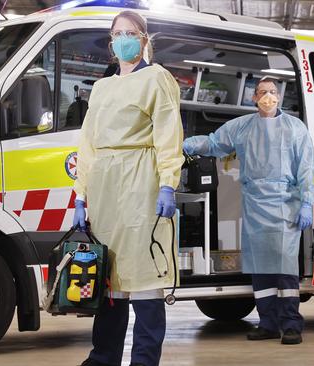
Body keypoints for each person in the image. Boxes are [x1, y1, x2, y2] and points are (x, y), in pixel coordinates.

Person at [72, 10, 184, 366]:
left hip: (141, 184)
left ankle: (144, 360)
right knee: (110, 278)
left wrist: (168, 183)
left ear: (144, 39)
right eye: (118, 34)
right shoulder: (102, 88)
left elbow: (169, 135)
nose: (124, 39)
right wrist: (80, 194)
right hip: (105, 188)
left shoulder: (157, 79)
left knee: (145, 275)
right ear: (111, 43)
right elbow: (88, 144)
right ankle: (103, 357)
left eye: (131, 33)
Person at [183, 76, 314, 345]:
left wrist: (306, 202)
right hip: (255, 203)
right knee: (260, 268)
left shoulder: (294, 128)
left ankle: (291, 325)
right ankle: (267, 323)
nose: (268, 96)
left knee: (284, 267)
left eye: (273, 92)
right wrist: (185, 144)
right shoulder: (243, 126)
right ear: (254, 98)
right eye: (263, 92)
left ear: (279, 96)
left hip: (284, 204)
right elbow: (214, 142)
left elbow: (306, 168)